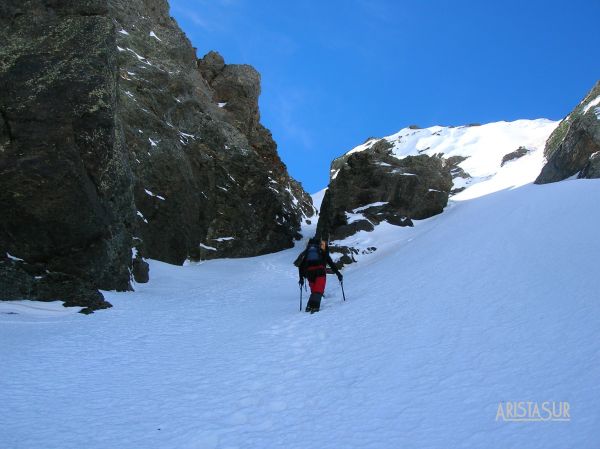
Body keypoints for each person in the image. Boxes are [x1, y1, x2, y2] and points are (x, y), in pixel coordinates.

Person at [298, 237, 343, 313]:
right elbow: (331, 264)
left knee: (314, 290)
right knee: (318, 290)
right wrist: (339, 274)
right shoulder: (322, 251)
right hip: (320, 271)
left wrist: (301, 278)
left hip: (309, 273)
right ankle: (314, 307)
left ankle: (309, 307)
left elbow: (301, 266)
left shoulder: (308, 252)